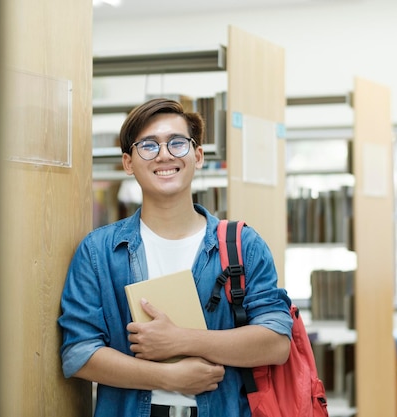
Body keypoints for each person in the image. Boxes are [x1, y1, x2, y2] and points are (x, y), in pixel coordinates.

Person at [58, 98, 293, 417]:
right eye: (149, 146)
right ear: (128, 163)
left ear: (197, 156)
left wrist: (181, 340)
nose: (165, 154)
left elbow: (276, 342)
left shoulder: (241, 244)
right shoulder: (98, 251)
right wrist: (167, 376)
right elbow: (79, 353)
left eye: (177, 143)